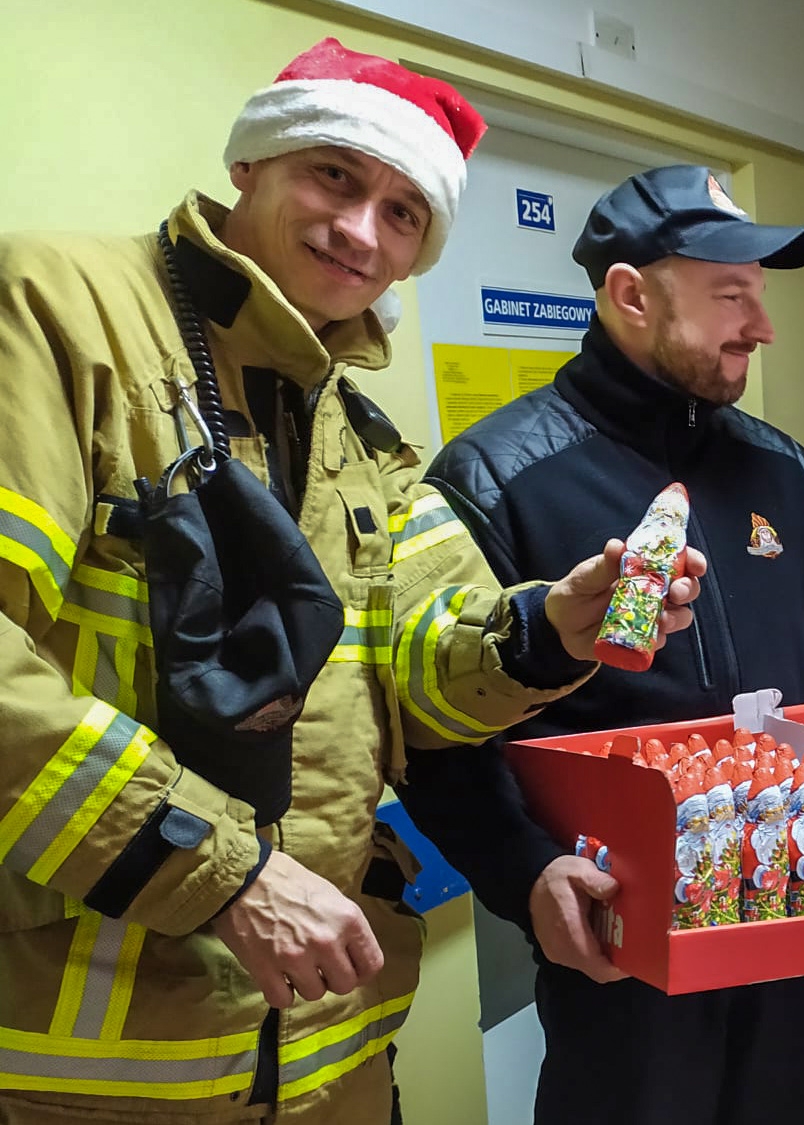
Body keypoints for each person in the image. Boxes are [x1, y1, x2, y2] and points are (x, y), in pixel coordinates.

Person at [0, 39, 684, 1122]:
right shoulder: (60, 310)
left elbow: (415, 676)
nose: (361, 229)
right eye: (335, 175)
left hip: (334, 1055)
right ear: (252, 165)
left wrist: (549, 628)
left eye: (405, 212)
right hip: (94, 1067)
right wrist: (218, 872)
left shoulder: (363, 436)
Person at [412, 164, 804, 1125]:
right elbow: (439, 736)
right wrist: (523, 871)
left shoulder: (780, 469)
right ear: (629, 293)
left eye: (761, 295)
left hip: (797, 908)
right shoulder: (496, 478)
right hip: (625, 947)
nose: (762, 324)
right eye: (731, 294)